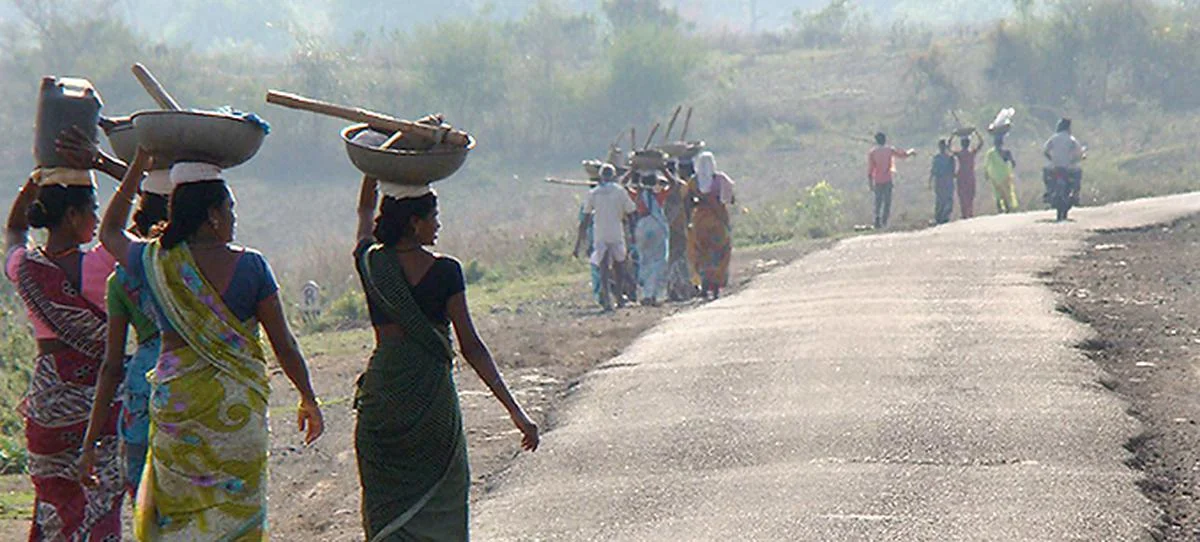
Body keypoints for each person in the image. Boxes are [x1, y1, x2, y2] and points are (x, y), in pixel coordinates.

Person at [99, 152, 324, 540]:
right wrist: (308, 397)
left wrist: (138, 162)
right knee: (237, 516)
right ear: (212, 214)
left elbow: (110, 233)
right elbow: (284, 343)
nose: (234, 217)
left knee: (179, 520)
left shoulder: (154, 261)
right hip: (235, 411)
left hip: (176, 408)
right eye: (229, 208)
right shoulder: (252, 266)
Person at [352, 177, 539, 540]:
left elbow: (363, 209)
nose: (438, 224)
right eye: (433, 216)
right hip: (432, 407)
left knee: (386, 508)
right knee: (444, 499)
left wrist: (374, 164)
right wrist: (516, 412)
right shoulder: (445, 271)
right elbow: (471, 347)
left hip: (383, 403)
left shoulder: (371, 263)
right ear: (414, 222)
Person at [5, 162, 124, 541]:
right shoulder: (103, 262)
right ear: (73, 215)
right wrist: (115, 165)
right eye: (92, 210)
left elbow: (14, 229)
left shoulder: (24, 267)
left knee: (54, 506)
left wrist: (34, 180)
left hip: (48, 407)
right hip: (101, 407)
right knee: (100, 505)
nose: (96, 219)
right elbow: (137, 220)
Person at [79, 170, 171, 500]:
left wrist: (89, 443)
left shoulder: (120, 282)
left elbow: (111, 366)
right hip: (190, 385)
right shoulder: (195, 269)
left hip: (141, 391)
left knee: (150, 505)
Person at [574, 164, 637, 310]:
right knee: (619, 264)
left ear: (601, 177)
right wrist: (633, 233)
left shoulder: (594, 193)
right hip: (616, 231)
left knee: (603, 266)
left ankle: (606, 296)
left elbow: (586, 217)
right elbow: (631, 211)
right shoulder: (620, 191)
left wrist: (579, 243)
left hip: (600, 232)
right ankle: (620, 297)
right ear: (614, 176)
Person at [687, 151, 735, 300]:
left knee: (701, 254)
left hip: (700, 222)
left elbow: (688, 201)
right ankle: (715, 286)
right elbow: (730, 199)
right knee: (720, 253)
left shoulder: (694, 181)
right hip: (718, 222)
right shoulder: (721, 179)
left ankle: (704, 284)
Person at [632, 173, 669, 306]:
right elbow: (674, 185)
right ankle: (653, 294)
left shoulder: (637, 196)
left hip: (642, 226)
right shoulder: (659, 196)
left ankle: (646, 294)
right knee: (658, 260)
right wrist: (664, 170)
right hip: (657, 226)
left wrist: (633, 172)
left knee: (644, 260)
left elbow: (623, 187)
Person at [867, 132, 917, 229]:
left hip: (877, 180)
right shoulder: (889, 150)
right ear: (884, 140)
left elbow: (870, 169)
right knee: (887, 201)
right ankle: (884, 221)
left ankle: (877, 219)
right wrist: (911, 152)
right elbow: (903, 155)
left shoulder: (873, 152)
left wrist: (870, 183)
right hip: (887, 179)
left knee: (878, 201)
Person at [660, 162, 694, 302]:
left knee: (676, 258)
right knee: (676, 258)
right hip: (673, 227)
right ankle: (677, 289)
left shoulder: (676, 186)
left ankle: (678, 288)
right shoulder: (664, 187)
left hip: (675, 227)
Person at [1042, 117, 1085, 205]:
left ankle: (1048, 191)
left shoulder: (1053, 138)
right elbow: (1079, 153)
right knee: (1078, 174)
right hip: (1068, 167)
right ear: (1068, 128)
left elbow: (1045, 151)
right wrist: (1076, 159)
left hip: (1054, 166)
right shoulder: (1071, 139)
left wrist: (1051, 159)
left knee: (1046, 173)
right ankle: (1075, 195)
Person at [984, 134, 1019, 213]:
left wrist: (986, 173)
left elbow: (986, 164)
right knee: (1006, 192)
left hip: (995, 176)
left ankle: (1000, 209)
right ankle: (1007, 208)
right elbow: (1013, 163)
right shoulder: (1006, 152)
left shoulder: (990, 153)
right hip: (1005, 176)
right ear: (1002, 143)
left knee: (997, 193)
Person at [953, 130, 984, 219]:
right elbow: (981, 143)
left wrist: (952, 136)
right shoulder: (971, 153)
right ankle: (969, 213)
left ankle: (965, 214)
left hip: (961, 176)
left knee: (963, 195)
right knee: (970, 195)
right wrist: (976, 132)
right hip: (969, 176)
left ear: (962, 144)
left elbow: (948, 148)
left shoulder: (960, 154)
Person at [930, 139, 957, 225]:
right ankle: (940, 218)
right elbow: (933, 171)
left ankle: (944, 217)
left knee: (946, 200)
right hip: (942, 181)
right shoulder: (939, 158)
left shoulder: (949, 158)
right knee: (941, 200)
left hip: (945, 181)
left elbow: (953, 170)